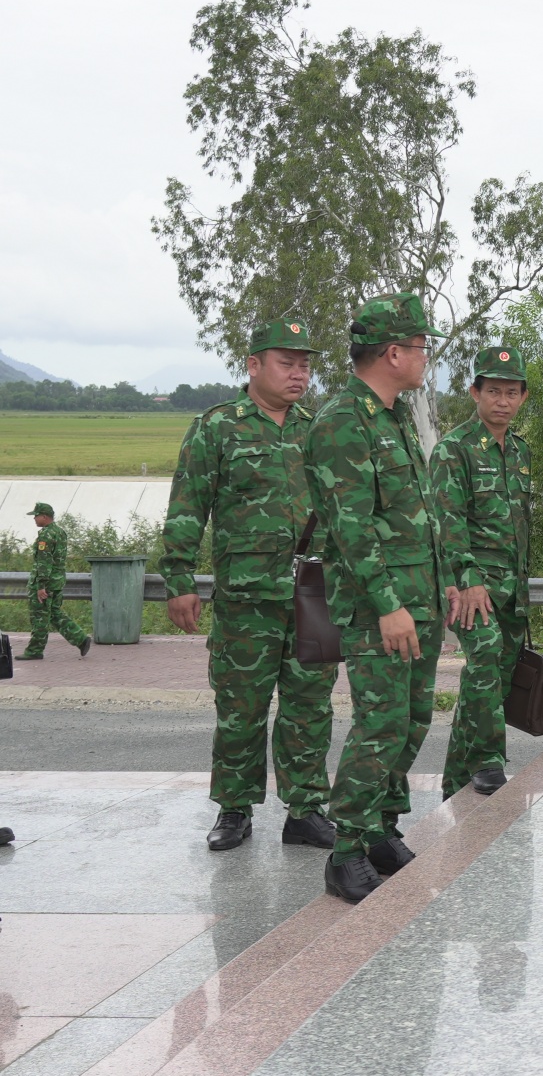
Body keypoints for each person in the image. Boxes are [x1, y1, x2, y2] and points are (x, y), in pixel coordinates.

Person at [159, 319, 338, 852]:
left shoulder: (321, 428)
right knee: (241, 706)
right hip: (247, 596)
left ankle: (305, 809)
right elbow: (188, 505)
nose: (298, 373)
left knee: (312, 706)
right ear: (254, 365)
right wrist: (179, 579)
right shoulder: (218, 427)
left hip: (317, 592)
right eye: (287, 362)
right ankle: (234, 809)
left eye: (305, 364)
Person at [306, 292, 450, 903]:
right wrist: (389, 604)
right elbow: (351, 527)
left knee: (412, 719)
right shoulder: (343, 421)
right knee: (380, 725)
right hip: (381, 608)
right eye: (420, 348)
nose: (425, 359)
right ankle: (346, 853)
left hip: (421, 600)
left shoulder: (391, 414)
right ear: (394, 352)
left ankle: (381, 830)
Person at [431, 345, 534, 798]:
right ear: (475, 392)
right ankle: (489, 761)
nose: (503, 401)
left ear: (522, 397)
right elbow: (447, 522)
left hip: (513, 590)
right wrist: (468, 579)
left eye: (512, 392)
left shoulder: (520, 450)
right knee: (485, 659)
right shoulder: (454, 449)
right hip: (475, 586)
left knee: (495, 677)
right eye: (494, 391)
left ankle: (455, 782)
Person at [22, 504, 89, 661]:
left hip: (46, 584)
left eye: (36, 515)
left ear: (44, 517)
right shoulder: (60, 532)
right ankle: (80, 638)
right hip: (57, 582)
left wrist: (40, 586)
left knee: (40, 616)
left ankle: (34, 650)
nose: (34, 518)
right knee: (54, 614)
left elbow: (44, 562)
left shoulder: (45, 535)